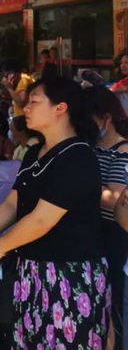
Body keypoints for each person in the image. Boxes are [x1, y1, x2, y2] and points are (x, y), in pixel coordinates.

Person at [0, 77, 108, 349]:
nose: (26, 108)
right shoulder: (35, 153)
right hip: (32, 270)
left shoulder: (78, 157)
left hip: (68, 274)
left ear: (60, 108)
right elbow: (12, 203)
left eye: (34, 102)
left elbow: (42, 220)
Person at [85, 85, 128, 346]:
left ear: (106, 118)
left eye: (89, 119)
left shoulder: (123, 151)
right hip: (93, 233)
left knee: (114, 306)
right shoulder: (91, 147)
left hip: (114, 237)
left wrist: (78, 186)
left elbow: (114, 199)